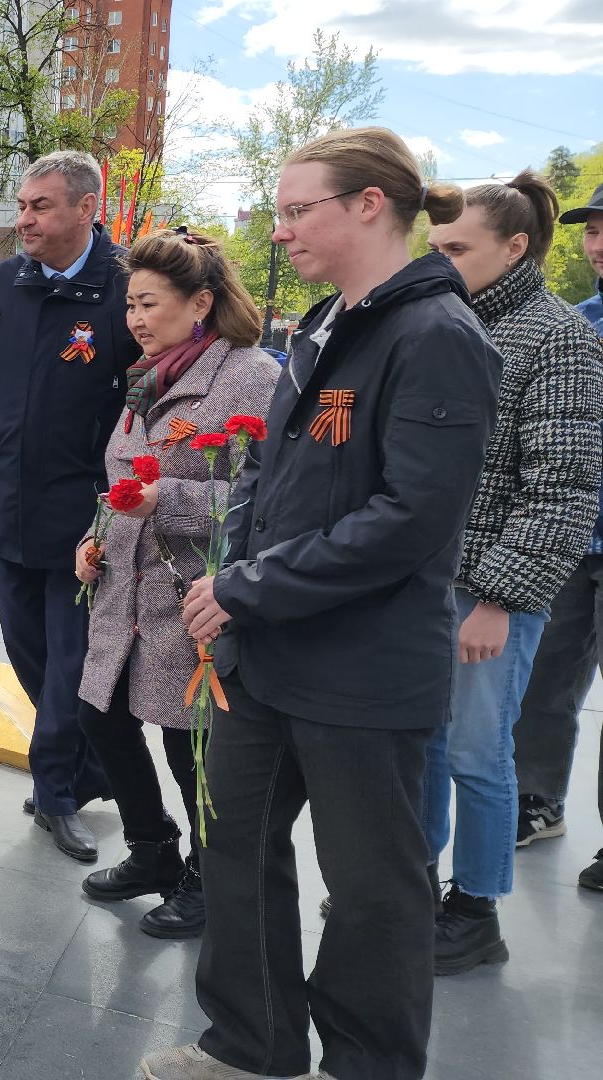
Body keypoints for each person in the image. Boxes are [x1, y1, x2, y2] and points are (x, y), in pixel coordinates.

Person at [140, 127, 499, 1080]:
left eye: (299, 210)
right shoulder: (324, 324)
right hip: (269, 658)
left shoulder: (435, 336)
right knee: (236, 851)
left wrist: (250, 587)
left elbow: (409, 520)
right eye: (281, 212)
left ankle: (368, 1063)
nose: (282, 229)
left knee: (374, 891)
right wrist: (233, 583)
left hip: (365, 675)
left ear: (369, 206)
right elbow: (269, 471)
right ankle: (252, 1045)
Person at [73, 230, 279, 941]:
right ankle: (152, 850)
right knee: (101, 716)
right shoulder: (146, 377)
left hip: (192, 596)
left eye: (150, 303)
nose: (136, 319)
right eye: (130, 303)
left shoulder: (249, 376)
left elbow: (260, 496)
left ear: (201, 303)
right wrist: (92, 539)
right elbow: (120, 481)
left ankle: (207, 876)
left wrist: (166, 502)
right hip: (124, 590)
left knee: (188, 742)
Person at [423, 171, 603, 966]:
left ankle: (476, 910)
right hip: (425, 582)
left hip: (491, 588)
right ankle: (414, 882)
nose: (440, 261)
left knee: (476, 747)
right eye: (434, 247)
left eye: (457, 248)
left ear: (515, 246)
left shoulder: (559, 335)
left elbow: (562, 486)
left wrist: (496, 597)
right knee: (425, 740)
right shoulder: (443, 321)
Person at [0, 150, 139, 862]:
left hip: (91, 520)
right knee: (29, 656)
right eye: (22, 205)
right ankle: (84, 768)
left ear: (88, 208)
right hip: (12, 511)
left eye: (40, 206)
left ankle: (54, 789)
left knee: (70, 661)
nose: (23, 218)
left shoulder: (126, 289)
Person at [513, 179, 603, 894]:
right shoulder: (581, 322)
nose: (598, 244)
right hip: (575, 534)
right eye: (593, 229)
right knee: (548, 677)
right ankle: (536, 798)